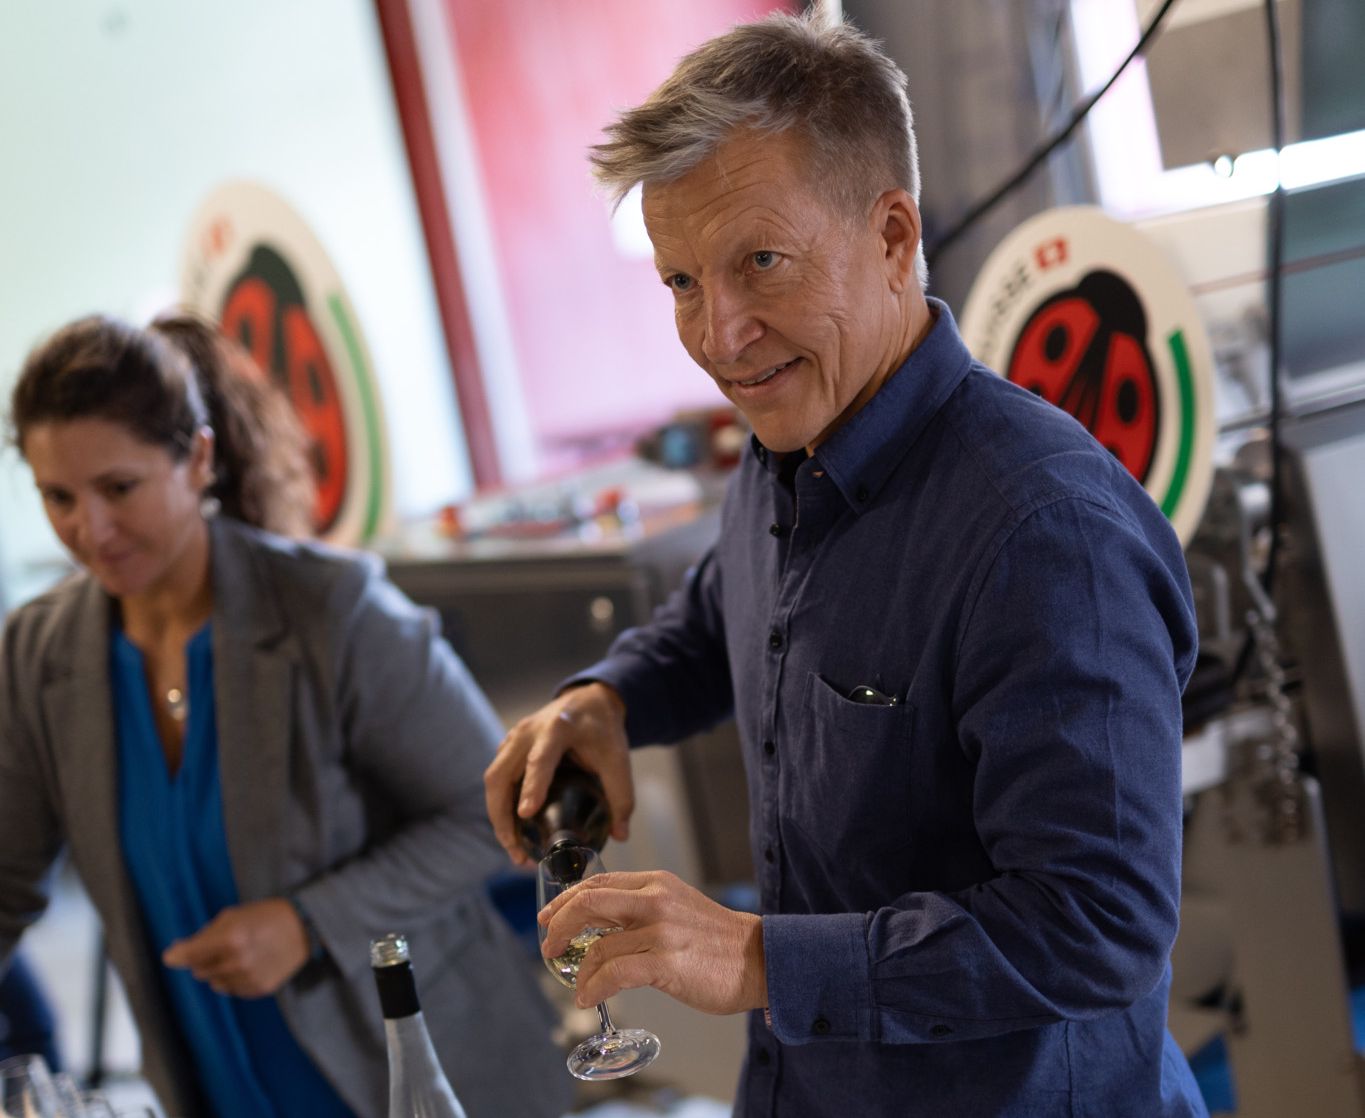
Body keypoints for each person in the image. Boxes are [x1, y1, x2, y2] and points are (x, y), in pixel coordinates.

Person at [485, 12, 1209, 1118]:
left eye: (759, 261)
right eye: (682, 282)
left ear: (891, 235)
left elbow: (1097, 921)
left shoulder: (1045, 533)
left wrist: (755, 959)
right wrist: (611, 694)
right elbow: (727, 606)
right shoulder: (790, 443)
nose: (720, 334)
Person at [0, 314, 572, 1118]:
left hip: (426, 1074)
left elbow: (490, 818)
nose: (88, 530)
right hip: (220, 1088)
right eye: (58, 497)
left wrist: (308, 922)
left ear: (197, 458)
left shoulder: (332, 612)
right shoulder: (38, 652)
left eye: (118, 489)